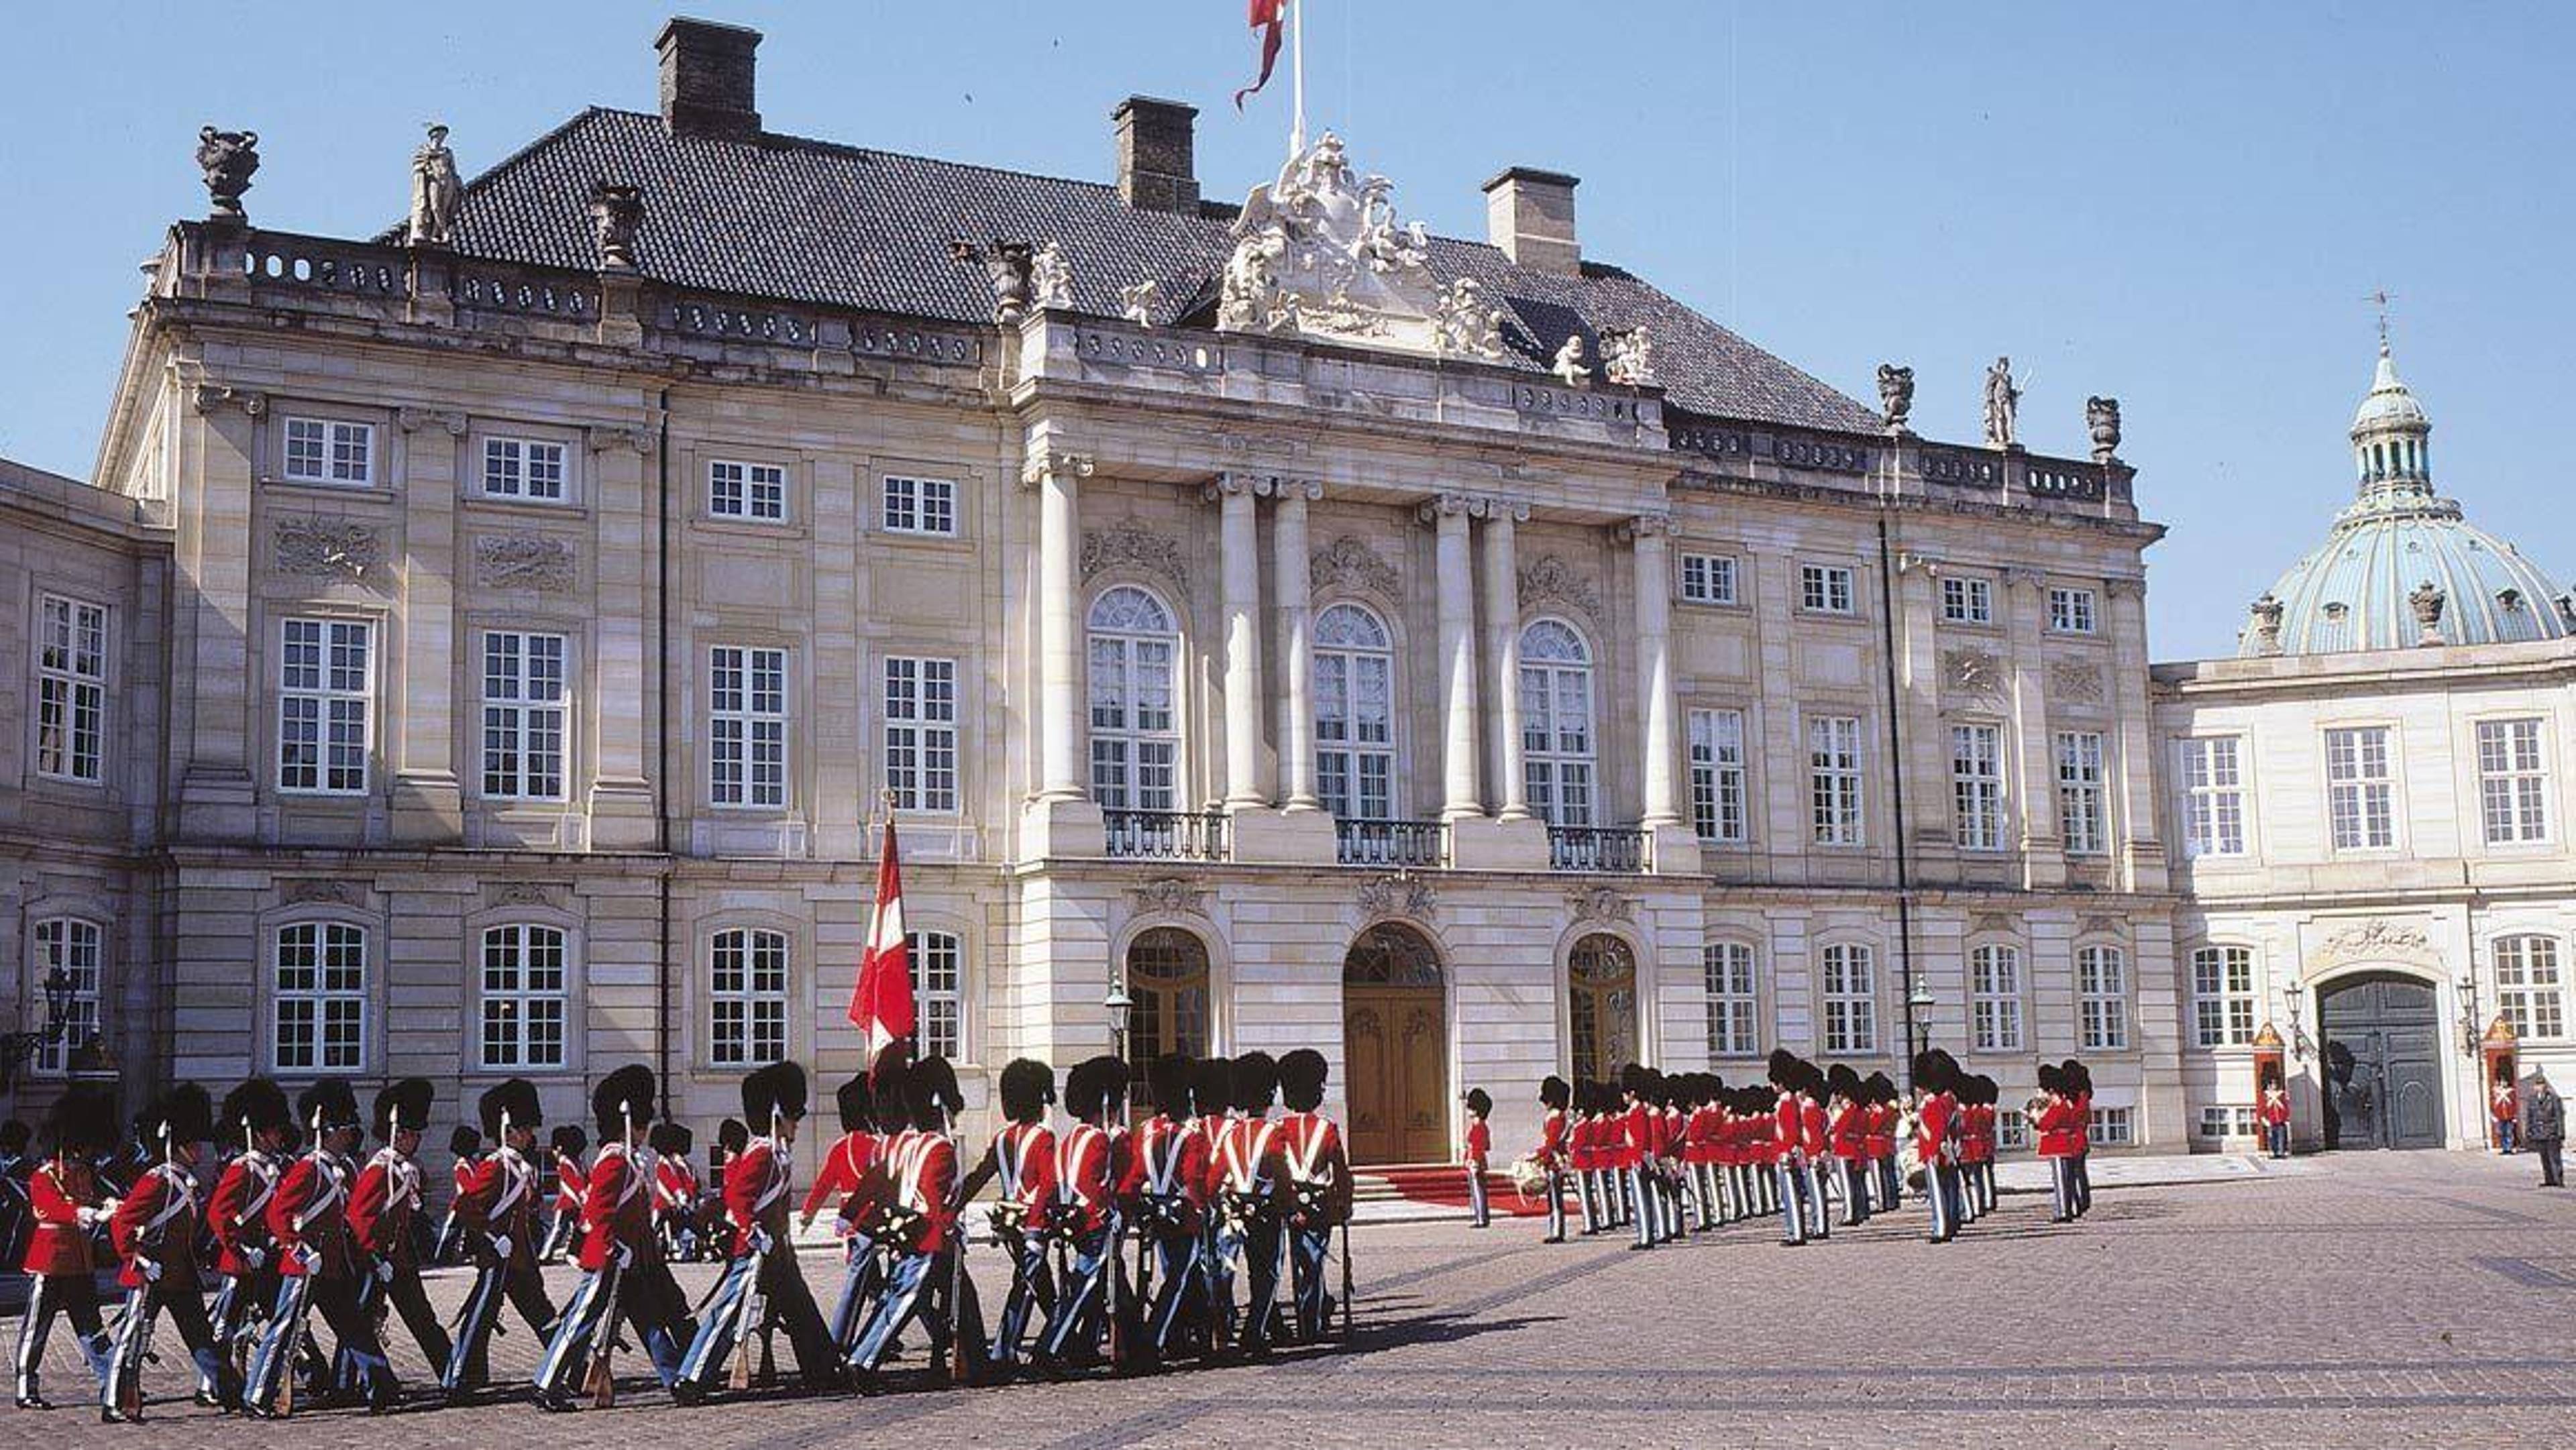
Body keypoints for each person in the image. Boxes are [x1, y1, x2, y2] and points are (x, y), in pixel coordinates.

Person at [531, 1063, 697, 1411]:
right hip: (606, 1259)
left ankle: (674, 1378)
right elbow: (596, 1212)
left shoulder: (630, 1160)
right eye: (640, 1123)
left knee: (650, 1320)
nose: (644, 1130)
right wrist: (610, 1248)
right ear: (627, 1121)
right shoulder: (614, 1161)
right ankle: (547, 1382)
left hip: (629, 1259)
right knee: (580, 1323)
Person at [678, 1060, 839, 1400]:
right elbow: (738, 1197)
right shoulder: (762, 1153)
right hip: (755, 1252)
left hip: (777, 1252)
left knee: (802, 1310)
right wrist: (753, 1232)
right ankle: (692, 1376)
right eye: (793, 1117)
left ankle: (823, 1369)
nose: (797, 1124)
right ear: (778, 1114)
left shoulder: (778, 1153)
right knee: (727, 1314)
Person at [245, 1080, 395, 1416]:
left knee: (354, 1326)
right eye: (344, 1129)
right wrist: (300, 1251)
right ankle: (258, 1394)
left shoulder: (338, 1170)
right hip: (305, 1267)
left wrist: (368, 1256)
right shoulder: (309, 1169)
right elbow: (278, 1214)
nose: (349, 1135)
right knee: (283, 1331)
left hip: (332, 1266)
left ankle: (382, 1387)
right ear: (326, 1130)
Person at [104, 1083, 238, 1421]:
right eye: (193, 1144)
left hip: (180, 1274)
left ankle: (230, 1393)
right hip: (150, 1272)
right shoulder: (157, 1181)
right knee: (133, 1337)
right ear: (177, 1146)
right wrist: (138, 1259)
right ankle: (115, 1400)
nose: (199, 1150)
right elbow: (123, 1223)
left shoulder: (185, 1180)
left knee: (201, 1338)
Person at [848, 1056, 977, 1381]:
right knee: (904, 1301)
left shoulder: (909, 1145)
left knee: (964, 1298)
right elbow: (933, 1201)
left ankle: (976, 1361)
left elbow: (889, 1185)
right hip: (928, 1239)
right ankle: (863, 1361)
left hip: (912, 1234)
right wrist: (951, 1223)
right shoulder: (940, 1149)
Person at [441, 1078, 557, 1398]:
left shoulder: (518, 1166)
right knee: (479, 1318)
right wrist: (493, 1237)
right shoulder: (496, 1166)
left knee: (542, 1314)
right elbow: (465, 1206)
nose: (531, 1135)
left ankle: (571, 1369)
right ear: (509, 1130)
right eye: (525, 1129)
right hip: (498, 1257)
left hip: (518, 1258)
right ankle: (458, 1379)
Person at [15, 1085, 116, 1410]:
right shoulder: (44, 1176)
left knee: (92, 1328)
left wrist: (108, 1206)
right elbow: (48, 1209)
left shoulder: (83, 1172)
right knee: (37, 1328)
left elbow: (89, 1201)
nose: (85, 1154)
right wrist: (85, 1213)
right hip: (50, 1262)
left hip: (80, 1263)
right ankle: (25, 1386)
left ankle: (112, 1384)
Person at [349, 1079, 451, 1386]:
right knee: (362, 1324)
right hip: (376, 1261)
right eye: (414, 1134)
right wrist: (375, 1256)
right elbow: (358, 1216)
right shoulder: (381, 1169)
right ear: (400, 1133)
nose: (417, 1140)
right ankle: (348, 1382)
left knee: (423, 1319)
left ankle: (453, 1373)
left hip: (399, 1260)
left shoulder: (403, 1168)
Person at [1122, 1055, 1211, 1361]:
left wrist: (1129, 1207)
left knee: (1174, 1273)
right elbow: (1194, 1179)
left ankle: (1179, 1334)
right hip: (1183, 1214)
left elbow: (1135, 1175)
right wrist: (1203, 1210)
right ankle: (1153, 1337)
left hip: (1153, 1212)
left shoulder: (1146, 1130)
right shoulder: (1192, 1135)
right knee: (1178, 1279)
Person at [800, 1073, 889, 1357]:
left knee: (875, 1284)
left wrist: (807, 1214)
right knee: (870, 1285)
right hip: (875, 1218)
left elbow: (823, 1184)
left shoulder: (841, 1147)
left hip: (851, 1222)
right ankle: (839, 1338)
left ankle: (883, 1334)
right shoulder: (878, 1145)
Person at [1271, 1048, 1351, 1343]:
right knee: (1313, 1261)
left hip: (1287, 1202)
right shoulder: (1328, 1129)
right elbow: (1340, 1171)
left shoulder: (1277, 1129)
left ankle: (1313, 1311)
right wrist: (1346, 1202)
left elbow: (1275, 1169)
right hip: (1319, 1204)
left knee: (1300, 1260)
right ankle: (1311, 1319)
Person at [432, 1125, 480, 1266]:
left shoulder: (471, 1164)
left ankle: (469, 1253)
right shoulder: (463, 1165)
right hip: (463, 1204)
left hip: (468, 1203)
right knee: (451, 1232)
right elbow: (466, 1186)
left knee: (469, 1231)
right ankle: (441, 1256)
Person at [538, 1125, 586, 1264]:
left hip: (571, 1202)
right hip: (569, 1202)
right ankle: (545, 1255)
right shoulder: (571, 1163)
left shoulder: (571, 1163)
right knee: (559, 1230)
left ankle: (572, 1252)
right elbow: (573, 1183)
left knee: (575, 1230)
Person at [1535, 1076, 1571, 1243]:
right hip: (1553, 1160)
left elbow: (1552, 1143)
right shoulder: (1556, 1116)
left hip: (1555, 1162)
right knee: (1553, 1198)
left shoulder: (1556, 1118)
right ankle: (1554, 1229)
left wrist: (1538, 1156)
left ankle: (1557, 1231)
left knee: (1556, 1199)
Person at [2522, 1071, 2563, 1188]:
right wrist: (2528, 1131)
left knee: (2555, 1158)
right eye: (2537, 1085)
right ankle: (2549, 1179)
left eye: (2542, 1084)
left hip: (2551, 1131)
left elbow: (2559, 1116)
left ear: (2545, 1086)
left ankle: (2558, 1180)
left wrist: (2560, 1133)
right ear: (2534, 1087)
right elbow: (2529, 1117)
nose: (2540, 1087)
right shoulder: (2532, 1099)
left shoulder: (2554, 1099)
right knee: (2544, 1158)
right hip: (2539, 1132)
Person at [1460, 1088, 1493, 1229]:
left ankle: (1481, 1218)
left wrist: (1474, 1162)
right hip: (1474, 1160)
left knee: (1478, 1190)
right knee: (1477, 1190)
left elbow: (1479, 1146)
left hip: (1476, 1161)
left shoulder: (1479, 1127)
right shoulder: (1478, 1126)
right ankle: (1480, 1216)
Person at [2259, 1074, 2292, 1160]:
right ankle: (2274, 1152)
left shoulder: (2281, 1094)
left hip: (2280, 1120)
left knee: (2281, 1137)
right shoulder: (2265, 1095)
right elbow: (2264, 1107)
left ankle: (2281, 1152)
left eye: (2275, 1083)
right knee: (2272, 1137)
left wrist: (2276, 1100)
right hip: (2271, 1120)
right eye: (2272, 1084)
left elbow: (2285, 1107)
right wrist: (2263, 1118)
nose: (2274, 1085)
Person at [2492, 1072, 2520, 1154]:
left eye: (2505, 1082)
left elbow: (2514, 1103)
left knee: (2509, 1132)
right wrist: (2493, 1115)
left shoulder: (2511, 1091)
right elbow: (2493, 1104)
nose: (2504, 1083)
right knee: (2501, 1133)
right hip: (2499, 1116)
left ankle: (2509, 1148)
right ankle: (2504, 1148)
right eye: (2502, 1081)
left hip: (2509, 1115)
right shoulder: (2496, 1092)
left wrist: (2515, 1115)